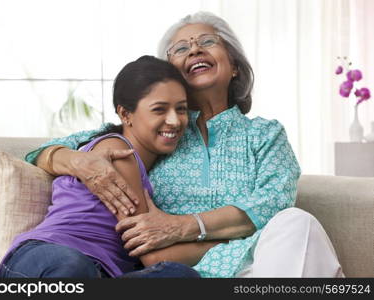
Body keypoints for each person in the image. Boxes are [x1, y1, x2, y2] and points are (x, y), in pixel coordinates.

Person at [25, 12, 344, 278]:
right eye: (180, 48)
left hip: (261, 265)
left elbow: (273, 204)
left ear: (233, 65)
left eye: (207, 42)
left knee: (296, 223)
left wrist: (182, 226)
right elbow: (48, 149)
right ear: (170, 75)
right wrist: (81, 163)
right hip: (180, 274)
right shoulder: (159, 134)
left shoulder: (265, 135)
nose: (194, 50)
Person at [0, 56, 201, 278]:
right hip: (45, 257)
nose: (175, 121)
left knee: (179, 276)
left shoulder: (145, 167)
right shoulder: (117, 150)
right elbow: (151, 256)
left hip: (101, 273)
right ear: (125, 114)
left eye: (181, 109)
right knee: (74, 267)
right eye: (159, 110)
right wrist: (228, 241)